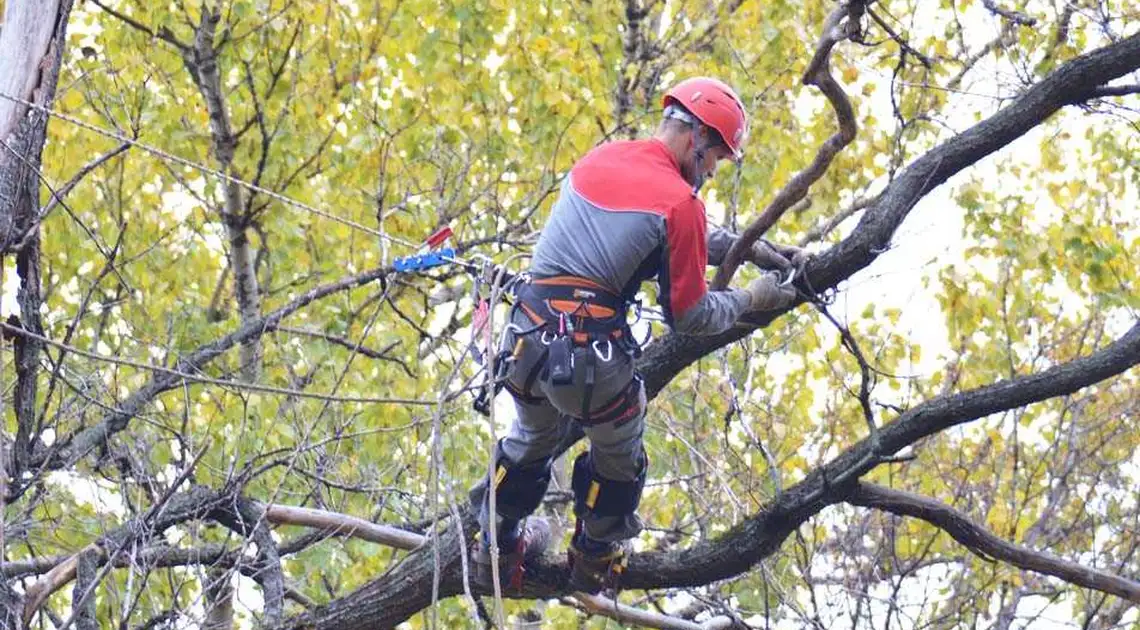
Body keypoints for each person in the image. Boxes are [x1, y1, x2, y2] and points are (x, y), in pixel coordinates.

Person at [469, 76, 805, 593]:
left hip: (526, 338)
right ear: (697, 139)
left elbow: (654, 233)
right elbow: (690, 316)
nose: (713, 171)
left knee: (531, 439)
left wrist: (752, 247)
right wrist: (753, 298)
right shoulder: (679, 203)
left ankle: (496, 539)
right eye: (716, 156)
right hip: (590, 358)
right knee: (619, 451)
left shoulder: (598, 161)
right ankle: (594, 555)